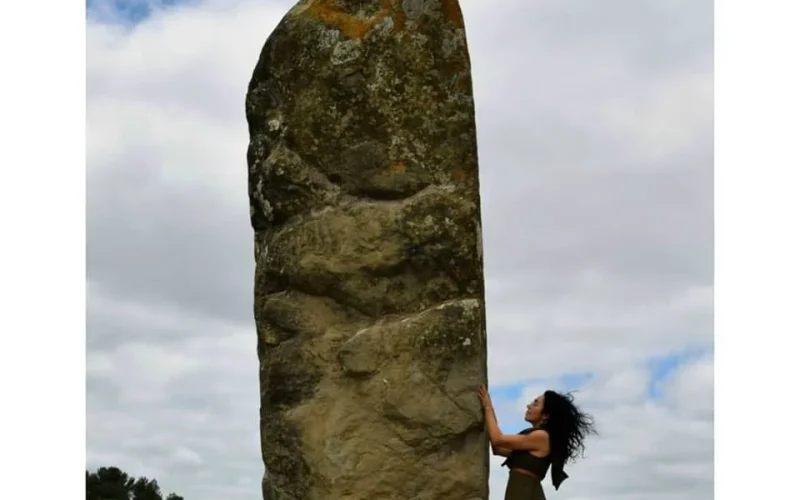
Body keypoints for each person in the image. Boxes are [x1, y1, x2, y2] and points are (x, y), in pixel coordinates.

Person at [477, 385, 597, 499]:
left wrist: (488, 407)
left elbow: (498, 440)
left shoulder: (542, 437)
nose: (529, 406)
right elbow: (498, 448)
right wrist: (487, 413)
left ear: (545, 415)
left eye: (535, 403)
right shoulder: (536, 437)